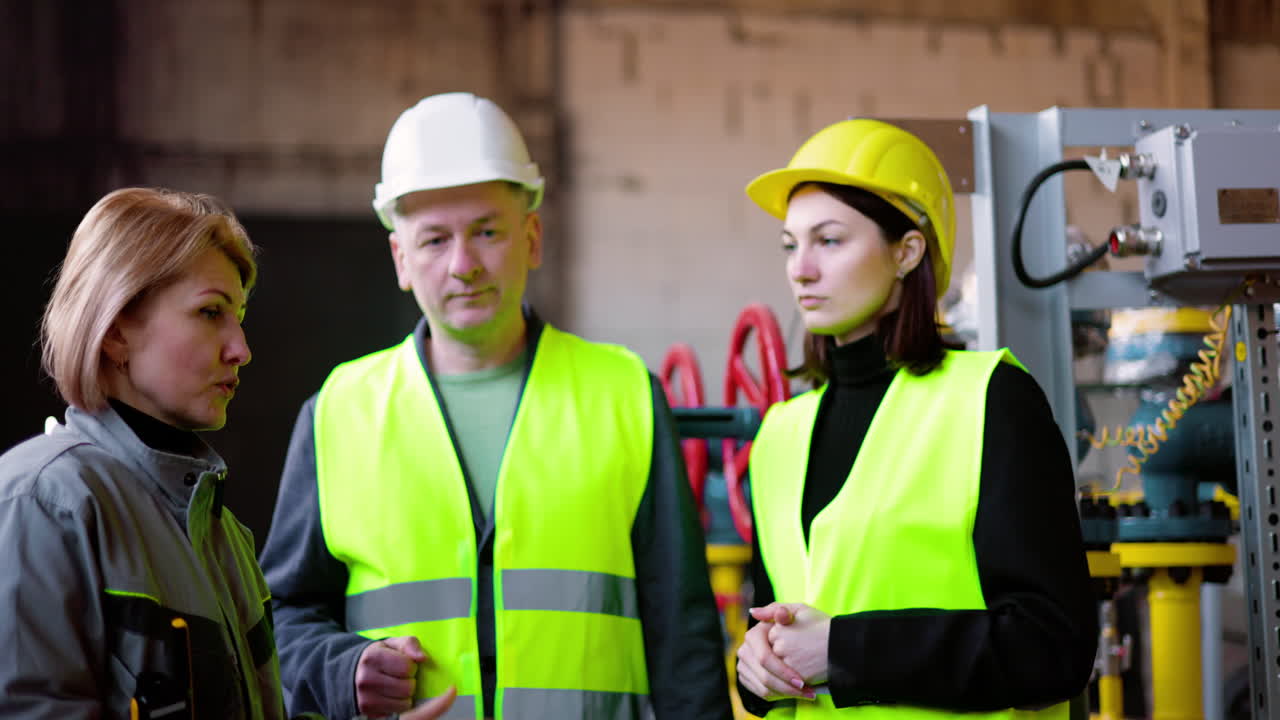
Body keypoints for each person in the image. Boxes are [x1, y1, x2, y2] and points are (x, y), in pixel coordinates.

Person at [259, 92, 730, 720]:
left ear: (531, 238)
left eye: (487, 232)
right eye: (434, 240)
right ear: (401, 260)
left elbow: (684, 633)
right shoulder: (339, 412)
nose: (464, 266)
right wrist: (341, 669)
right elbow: (280, 617)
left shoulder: (625, 395)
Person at [0, 187, 456, 720]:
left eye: (238, 316)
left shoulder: (223, 535)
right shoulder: (43, 504)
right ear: (116, 331)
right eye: (210, 312)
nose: (240, 349)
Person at [734, 119, 1098, 718]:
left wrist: (845, 650)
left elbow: (1052, 646)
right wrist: (755, 668)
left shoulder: (990, 401)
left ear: (907, 252)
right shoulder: (779, 435)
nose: (801, 269)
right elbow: (776, 627)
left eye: (829, 241)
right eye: (790, 245)